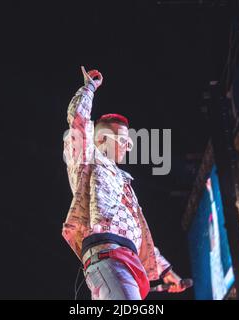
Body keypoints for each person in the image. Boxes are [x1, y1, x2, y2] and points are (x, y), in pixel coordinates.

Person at [62, 66, 185, 300]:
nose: (129, 145)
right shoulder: (87, 159)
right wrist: (89, 87)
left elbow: (138, 231)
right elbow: (78, 120)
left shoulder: (123, 181)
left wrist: (165, 269)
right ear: (100, 139)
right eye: (123, 139)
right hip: (109, 256)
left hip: (126, 259)